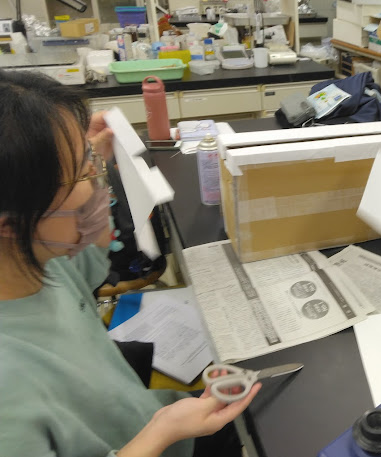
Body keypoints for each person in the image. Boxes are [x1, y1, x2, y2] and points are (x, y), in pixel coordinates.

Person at [0, 70, 259, 457]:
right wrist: (162, 433)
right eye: (83, 172)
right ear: (10, 224)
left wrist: (82, 149)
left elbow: (90, 253)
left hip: (151, 413)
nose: (97, 179)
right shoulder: (9, 393)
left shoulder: (39, 261)